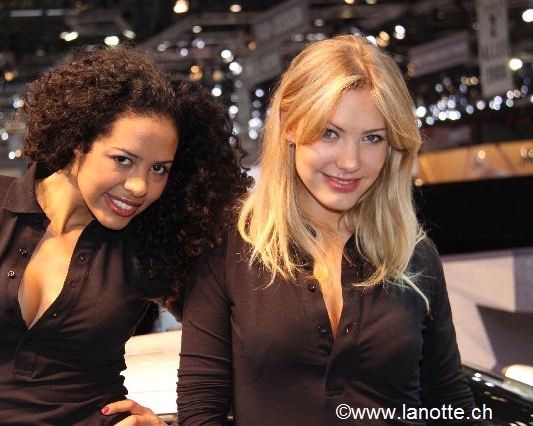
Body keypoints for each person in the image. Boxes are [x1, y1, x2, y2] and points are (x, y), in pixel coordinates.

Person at [0, 45, 251, 425]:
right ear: (79, 141)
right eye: (123, 160)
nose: (140, 186)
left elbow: (245, 340)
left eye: (159, 168)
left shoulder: (152, 248)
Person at [177, 34, 480, 425]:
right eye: (329, 133)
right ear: (289, 124)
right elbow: (201, 407)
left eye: (372, 138)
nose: (350, 162)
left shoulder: (413, 254)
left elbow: (449, 398)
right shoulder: (230, 245)